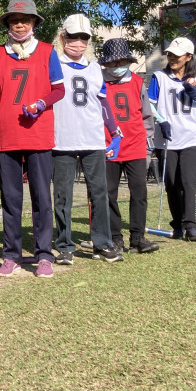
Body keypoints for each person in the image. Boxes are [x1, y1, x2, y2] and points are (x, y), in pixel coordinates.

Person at [0, 0, 65, 278]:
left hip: (39, 134)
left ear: (34, 23)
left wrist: (42, 103)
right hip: (6, 134)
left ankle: (44, 255)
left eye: (26, 19)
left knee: (42, 197)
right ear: (8, 23)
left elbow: (59, 90)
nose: (20, 24)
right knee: (10, 198)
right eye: (14, 19)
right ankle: (11, 255)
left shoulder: (47, 52)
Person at [51, 14, 124, 264]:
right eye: (73, 37)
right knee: (63, 195)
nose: (78, 42)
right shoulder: (53, 64)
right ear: (63, 38)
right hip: (62, 139)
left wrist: (114, 131)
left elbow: (103, 103)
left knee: (99, 193)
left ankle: (102, 243)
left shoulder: (95, 68)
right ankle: (64, 245)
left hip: (93, 140)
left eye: (84, 38)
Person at [99, 38, 159, 254]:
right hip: (109, 147)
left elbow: (146, 115)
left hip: (135, 145)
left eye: (122, 61)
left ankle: (138, 237)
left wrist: (147, 143)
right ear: (106, 64)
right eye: (113, 63)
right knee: (109, 194)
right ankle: (116, 237)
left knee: (139, 192)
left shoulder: (136, 82)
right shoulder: (98, 82)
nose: (118, 66)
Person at [148, 37, 196, 240]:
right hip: (165, 138)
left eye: (177, 55)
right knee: (172, 183)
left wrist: (195, 94)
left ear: (188, 57)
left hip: (191, 137)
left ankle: (191, 225)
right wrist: (161, 121)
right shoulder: (159, 77)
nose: (172, 58)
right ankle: (177, 224)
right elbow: (149, 105)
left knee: (189, 181)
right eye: (170, 54)